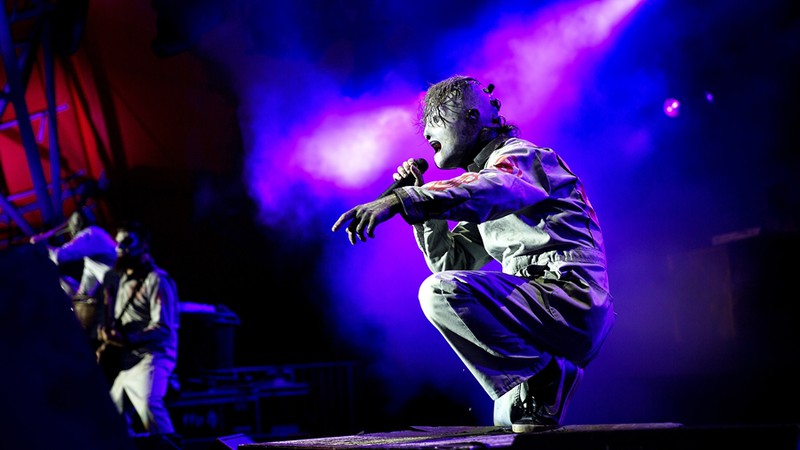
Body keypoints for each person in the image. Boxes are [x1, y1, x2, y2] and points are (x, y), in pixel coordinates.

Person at [332, 75, 615, 432]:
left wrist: (400, 201)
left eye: (435, 118)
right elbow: (452, 263)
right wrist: (423, 210)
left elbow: (488, 189)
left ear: (471, 118)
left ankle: (546, 374)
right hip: (541, 309)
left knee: (437, 292)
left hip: (569, 299)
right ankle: (545, 378)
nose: (425, 133)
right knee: (507, 418)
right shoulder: (487, 187)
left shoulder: (521, 157)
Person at [96, 221, 180, 437]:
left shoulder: (157, 280)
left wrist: (125, 338)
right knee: (109, 417)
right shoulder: (121, 281)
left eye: (126, 242)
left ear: (142, 246)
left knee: (149, 405)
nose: (119, 248)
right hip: (127, 360)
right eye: (118, 243)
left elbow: (163, 328)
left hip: (152, 357)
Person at [30, 206, 117, 299]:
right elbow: (87, 287)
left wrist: (41, 243)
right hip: (117, 287)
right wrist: (79, 299)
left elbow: (60, 256)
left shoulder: (90, 233)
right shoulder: (93, 248)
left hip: (120, 285)